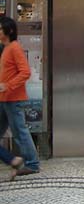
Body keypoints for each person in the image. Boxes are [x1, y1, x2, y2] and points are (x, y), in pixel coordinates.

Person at [0, 16, 40, 175]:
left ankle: (32, 163)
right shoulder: (6, 48)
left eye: (0, 29)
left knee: (19, 132)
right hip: (4, 99)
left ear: (9, 31)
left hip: (13, 99)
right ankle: (14, 160)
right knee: (18, 131)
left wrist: (8, 85)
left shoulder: (14, 48)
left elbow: (25, 72)